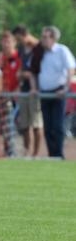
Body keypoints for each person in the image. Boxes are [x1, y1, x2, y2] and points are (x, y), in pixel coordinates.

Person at [36, 26, 75, 159]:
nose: (43, 39)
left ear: (53, 38)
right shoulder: (40, 52)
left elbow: (70, 69)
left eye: (46, 37)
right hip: (44, 93)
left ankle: (58, 154)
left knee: (57, 125)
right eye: (42, 37)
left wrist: (65, 88)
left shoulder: (62, 50)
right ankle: (52, 155)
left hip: (58, 92)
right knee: (47, 127)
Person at [12, 25, 43, 157]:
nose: (18, 41)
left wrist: (29, 75)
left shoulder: (39, 48)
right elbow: (21, 65)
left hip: (36, 90)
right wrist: (20, 74)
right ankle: (26, 151)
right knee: (24, 124)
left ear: (24, 34)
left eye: (19, 38)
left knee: (36, 123)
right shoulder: (21, 49)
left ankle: (35, 153)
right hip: (24, 89)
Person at [0, 31, 20, 157]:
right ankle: (8, 150)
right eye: (4, 41)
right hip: (2, 98)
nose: (6, 44)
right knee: (5, 125)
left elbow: (21, 78)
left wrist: (15, 93)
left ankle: (17, 151)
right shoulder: (0, 59)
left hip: (16, 97)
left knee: (24, 126)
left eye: (9, 41)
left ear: (14, 43)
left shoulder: (18, 57)